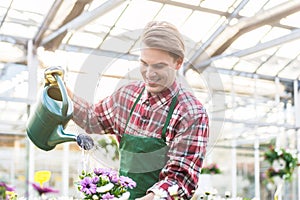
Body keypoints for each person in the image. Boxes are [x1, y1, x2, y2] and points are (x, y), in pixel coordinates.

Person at [68, 21, 209, 199]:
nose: (149, 73)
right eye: (144, 63)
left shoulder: (191, 113)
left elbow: (180, 180)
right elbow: (92, 119)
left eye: (159, 66)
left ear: (178, 63)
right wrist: (64, 94)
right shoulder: (127, 96)